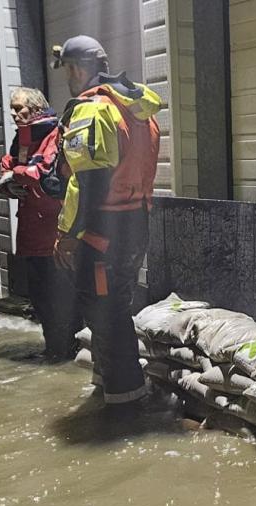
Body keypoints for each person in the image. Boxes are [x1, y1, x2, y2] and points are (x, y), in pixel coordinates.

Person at [50, 36, 162, 408]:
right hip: (135, 223)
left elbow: (91, 182)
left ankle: (125, 403)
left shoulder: (93, 110)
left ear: (77, 69)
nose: (68, 78)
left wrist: (69, 234)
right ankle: (107, 384)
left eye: (67, 70)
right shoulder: (136, 108)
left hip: (101, 229)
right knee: (114, 306)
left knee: (107, 314)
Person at [0, 87, 81, 362]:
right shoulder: (22, 138)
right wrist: (10, 179)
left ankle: (66, 350)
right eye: (12, 107)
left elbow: (39, 173)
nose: (13, 113)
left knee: (58, 296)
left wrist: (14, 177)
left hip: (52, 231)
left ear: (35, 109)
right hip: (32, 229)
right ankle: (54, 349)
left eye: (19, 108)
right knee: (40, 296)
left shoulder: (53, 134)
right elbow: (8, 165)